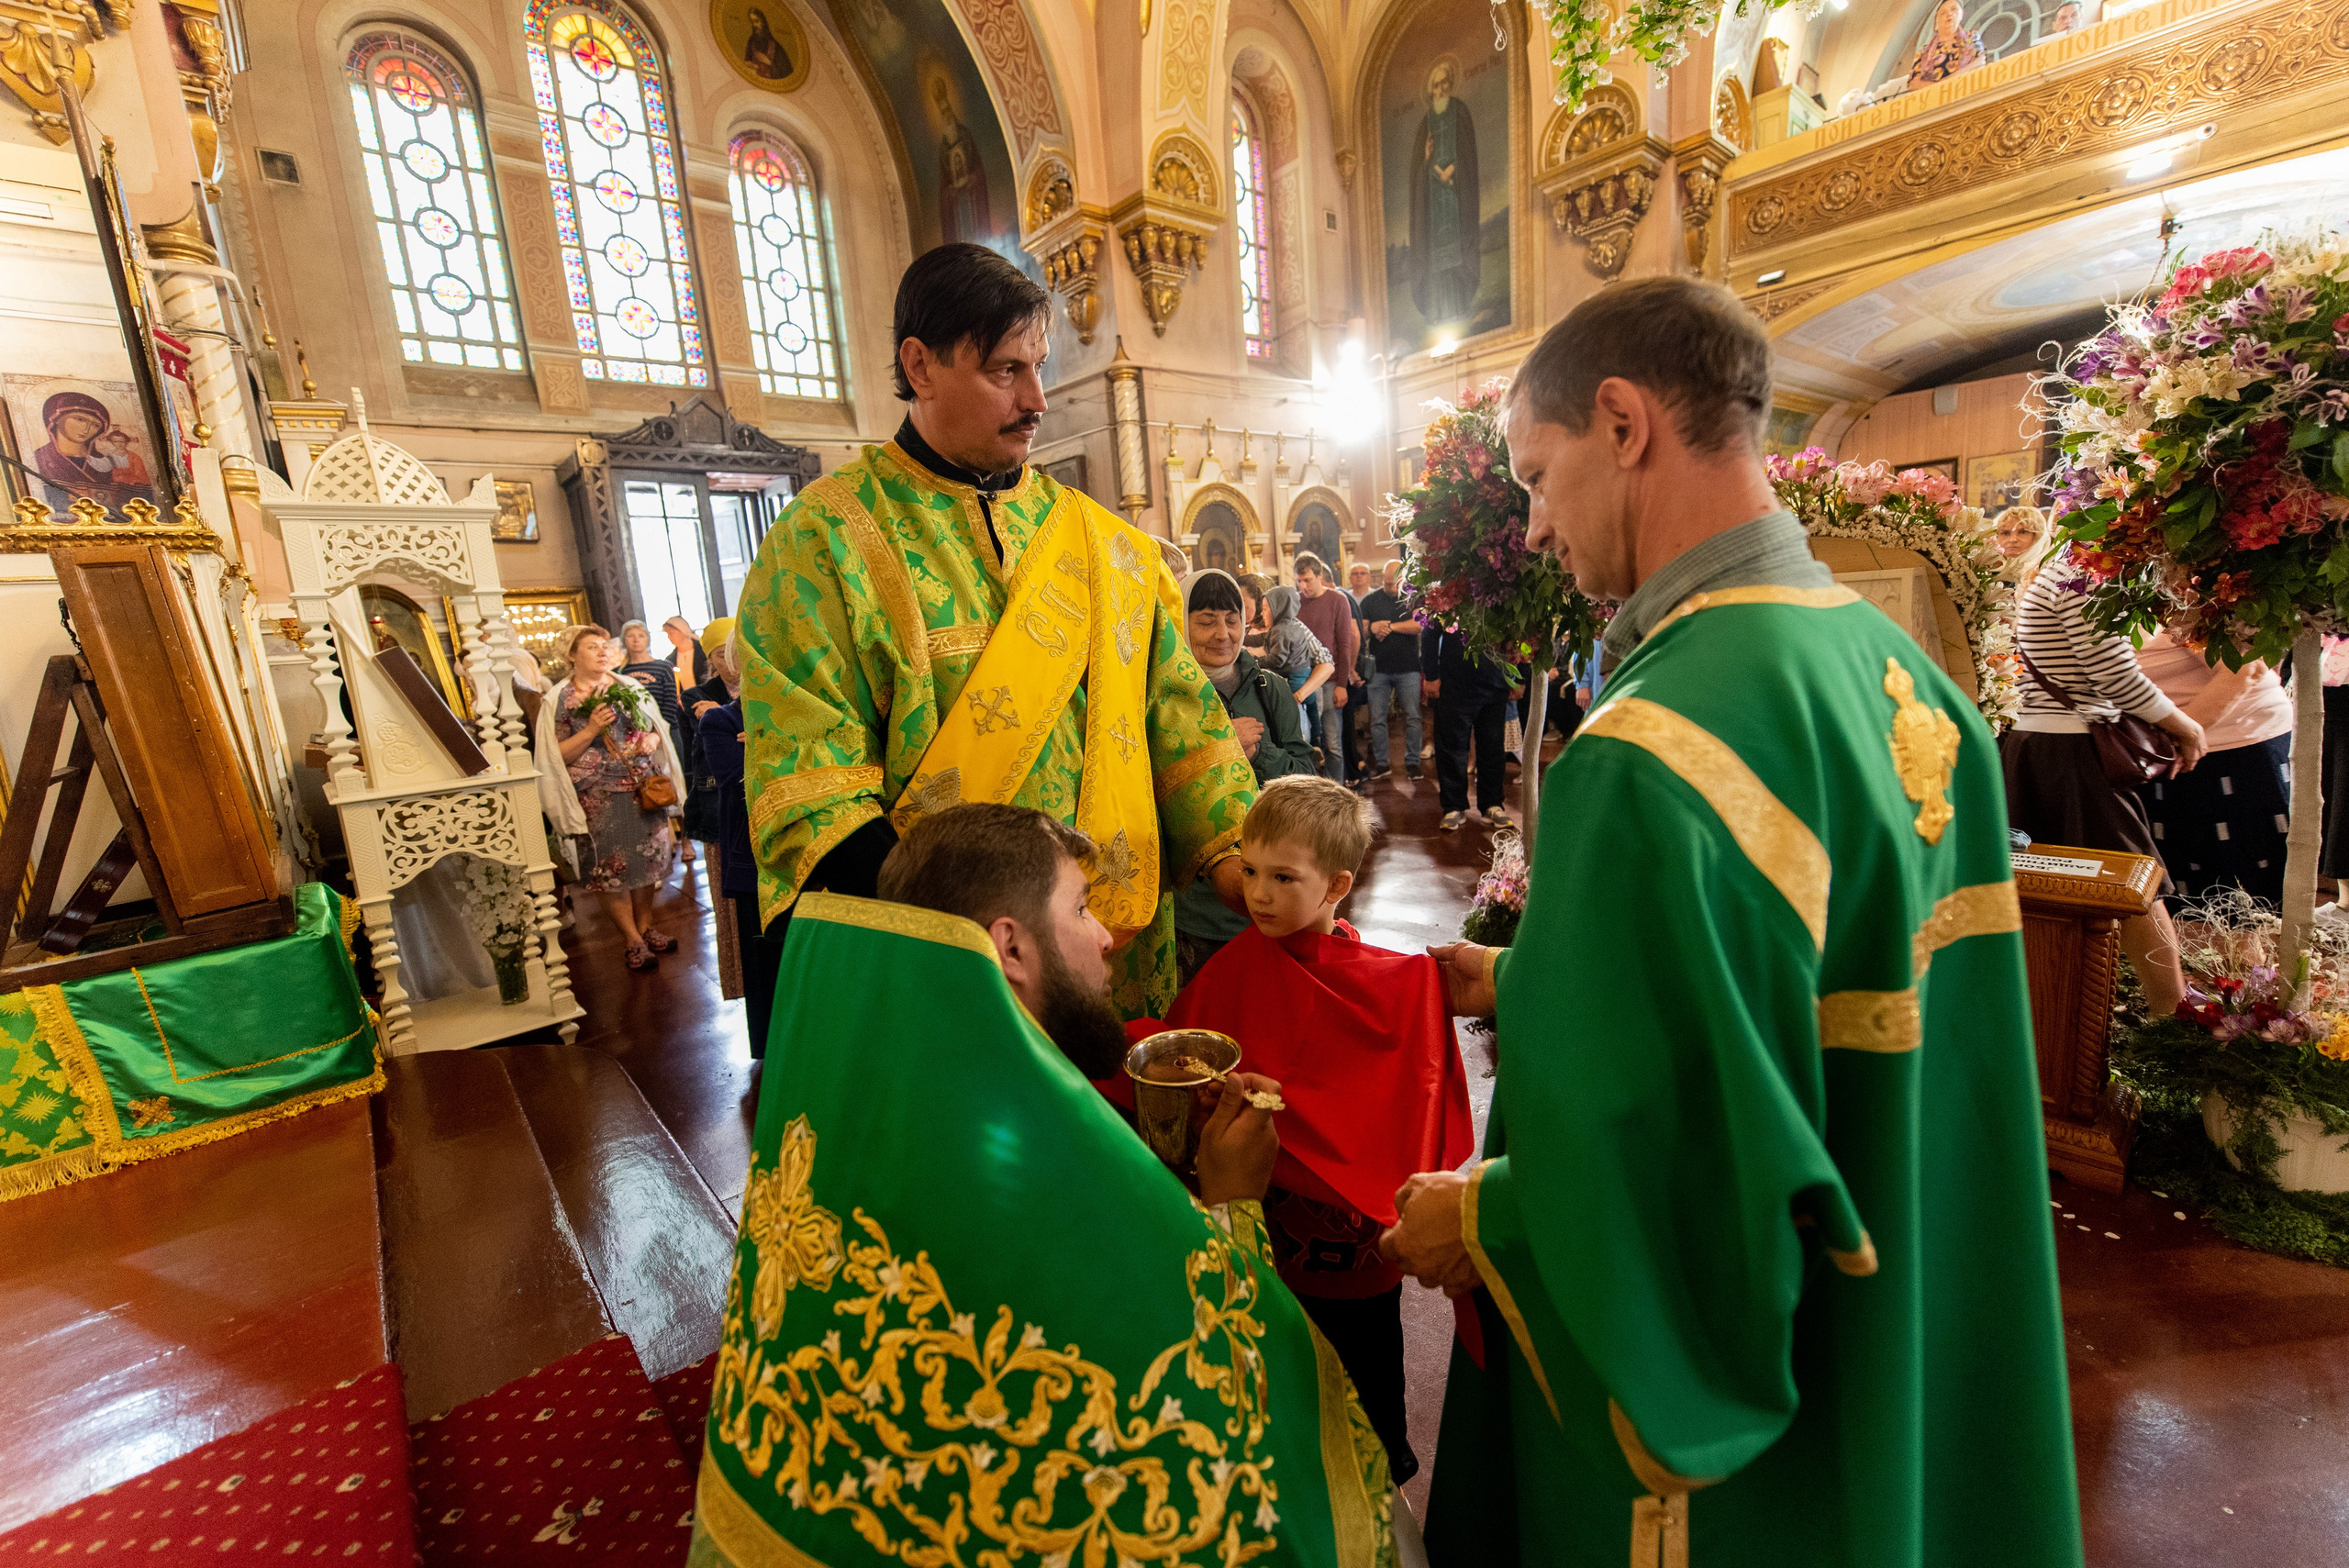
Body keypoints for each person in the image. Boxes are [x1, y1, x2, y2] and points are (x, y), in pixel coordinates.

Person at [1376, 277, 2084, 1567]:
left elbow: (1689, 1159)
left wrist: (1485, 1218)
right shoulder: (1901, 676)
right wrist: (1528, 978)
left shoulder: (1655, 746)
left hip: (1749, 1442)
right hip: (1898, 1318)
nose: (1534, 529)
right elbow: (1811, 1010)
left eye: (1539, 478)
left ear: (1623, 423)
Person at [691, 801, 1402, 1568]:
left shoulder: (871, 1082)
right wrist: (1232, 1204)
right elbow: (1205, 1382)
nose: (1105, 938)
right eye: (1083, 907)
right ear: (1011, 947)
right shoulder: (1039, 1155)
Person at [734, 243, 1255, 1021]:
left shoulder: (1111, 546)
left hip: (1116, 950)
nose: (1038, 398)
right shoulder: (822, 543)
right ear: (920, 366)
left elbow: (1183, 725)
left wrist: (1250, 862)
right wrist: (969, 945)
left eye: (1039, 366)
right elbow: (811, 787)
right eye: (1007, 370)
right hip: (945, 969)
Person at [1163, 775, 1473, 1487]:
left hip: (1353, 1253)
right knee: (1285, 1373)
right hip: (1275, 1234)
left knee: (1364, 1383)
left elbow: (1388, 1096)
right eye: (1248, 869)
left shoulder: (1389, 983)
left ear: (1336, 885)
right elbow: (1194, 1045)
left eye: (1282, 876)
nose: (1258, 893)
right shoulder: (1237, 962)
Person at [2004, 547, 2205, 1012]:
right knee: (2135, 884)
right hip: (2068, 750)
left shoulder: (2066, 569)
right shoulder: (2086, 573)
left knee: (2060, 886)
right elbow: (2113, 673)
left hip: (2041, 744)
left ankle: (2060, 1010)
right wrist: (2185, 725)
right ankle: (2170, 1012)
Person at [1171, 569, 1318, 986]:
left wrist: (1262, 752)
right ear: (1182, 622)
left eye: (1232, 619)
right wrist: (1220, 745)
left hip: (1278, 900)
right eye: (1206, 620)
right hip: (1198, 911)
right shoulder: (1164, 697)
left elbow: (1307, 782)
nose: (1222, 634)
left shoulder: (1270, 689)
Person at [537, 625, 688, 971]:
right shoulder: (559, 699)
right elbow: (553, 755)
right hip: (598, 794)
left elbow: (652, 728)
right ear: (572, 656)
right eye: (592, 647)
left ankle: (647, 927)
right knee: (611, 868)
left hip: (642, 787)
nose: (603, 652)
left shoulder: (628, 687)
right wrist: (590, 729)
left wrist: (651, 740)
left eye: (605, 646)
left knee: (649, 861)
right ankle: (631, 939)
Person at [2135, 630, 2291, 906]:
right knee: (2185, 903)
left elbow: (2244, 668)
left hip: (2233, 748)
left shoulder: (2182, 596)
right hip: (2164, 752)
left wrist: (2181, 736)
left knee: (2240, 905)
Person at [697, 625, 780, 1058]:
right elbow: (736, 777)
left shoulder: (788, 712)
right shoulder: (720, 719)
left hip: (798, 843)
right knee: (762, 951)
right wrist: (775, 748)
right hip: (751, 851)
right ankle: (771, 1049)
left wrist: (761, 745)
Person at [1422, 618, 1518, 832]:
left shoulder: (1505, 588)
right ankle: (1453, 807)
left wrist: (1518, 677)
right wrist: (1431, 674)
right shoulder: (1446, 588)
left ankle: (1492, 804)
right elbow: (1429, 633)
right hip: (1454, 684)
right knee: (1451, 748)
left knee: (1493, 748)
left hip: (1495, 682)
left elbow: (1519, 635)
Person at [1293, 555, 1360, 784]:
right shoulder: (1296, 601)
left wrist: (1342, 684)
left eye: (1308, 580)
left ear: (1320, 576)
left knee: (1333, 744)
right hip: (1304, 680)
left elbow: (1344, 643)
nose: (1303, 587)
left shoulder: (1337, 600)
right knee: (1309, 741)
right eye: (1299, 581)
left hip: (1330, 681)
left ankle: (1336, 791)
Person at [1359, 568, 1424, 780]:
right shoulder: (1370, 601)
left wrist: (1390, 627)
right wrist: (1374, 627)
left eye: (1395, 584)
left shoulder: (1413, 598)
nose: (1391, 588)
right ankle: (1382, 763)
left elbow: (1418, 625)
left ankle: (1413, 763)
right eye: (1387, 584)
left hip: (1409, 668)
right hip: (1379, 670)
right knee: (1377, 719)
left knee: (1413, 717)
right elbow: (1361, 631)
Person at [1908, 0, 1986, 87]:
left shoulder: (1971, 37)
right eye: (1943, 13)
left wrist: (1949, 81)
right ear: (1936, 21)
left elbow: (1980, 62)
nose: (1949, 14)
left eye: (1954, 9)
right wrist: (1940, 88)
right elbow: (1913, 83)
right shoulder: (1924, 51)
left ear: (1961, 14)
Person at [1994, 504, 2053, 585]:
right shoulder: (1984, 571)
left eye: (2023, 532)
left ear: (2038, 537)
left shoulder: (2047, 573)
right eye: (2005, 533)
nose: (2013, 540)